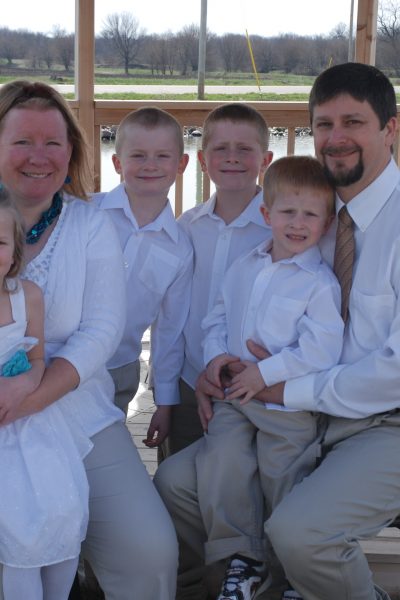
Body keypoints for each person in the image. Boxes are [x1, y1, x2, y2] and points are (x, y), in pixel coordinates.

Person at [155, 62, 400, 600]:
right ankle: (257, 581)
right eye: (324, 124)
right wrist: (221, 369)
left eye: (353, 122)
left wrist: (277, 388)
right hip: (298, 409)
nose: (336, 138)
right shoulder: (313, 215)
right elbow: (233, 307)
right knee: (175, 484)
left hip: (383, 419)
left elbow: (394, 372)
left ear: (390, 129)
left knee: (301, 533)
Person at [0, 80, 178, 600]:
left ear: (72, 152)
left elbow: (100, 331)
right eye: (22, 141)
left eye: (53, 143)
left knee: (149, 551)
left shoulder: (91, 225)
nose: (39, 157)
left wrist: (27, 398)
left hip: (75, 409)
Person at [197, 155, 343, 600]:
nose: (298, 223)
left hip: (284, 407)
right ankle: (244, 558)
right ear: (266, 214)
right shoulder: (245, 266)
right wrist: (215, 356)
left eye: (310, 214)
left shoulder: (319, 283)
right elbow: (217, 317)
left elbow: (322, 349)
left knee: (284, 474)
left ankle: (294, 573)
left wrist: (265, 372)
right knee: (222, 461)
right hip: (234, 397)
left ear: (327, 222)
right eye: (288, 212)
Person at [164, 102, 273, 457]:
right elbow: (172, 312)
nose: (232, 158)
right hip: (190, 376)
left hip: (255, 382)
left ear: (266, 160)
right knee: (177, 471)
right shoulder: (187, 227)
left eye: (244, 149)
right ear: (202, 159)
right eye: (221, 148)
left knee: (239, 473)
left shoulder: (279, 231)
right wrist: (164, 389)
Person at [0, 187, 88, 600]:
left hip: (34, 426)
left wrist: (23, 382)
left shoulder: (27, 297)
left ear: (15, 249)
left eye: (0, 242)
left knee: (62, 513)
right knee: (19, 536)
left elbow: (37, 359)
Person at [93, 107, 193, 448]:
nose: (150, 165)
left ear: (181, 165)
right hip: (55, 360)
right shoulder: (85, 213)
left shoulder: (180, 248)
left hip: (118, 370)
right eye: (138, 155)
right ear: (117, 163)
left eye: (162, 156)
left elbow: (169, 330)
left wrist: (164, 402)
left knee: (104, 452)